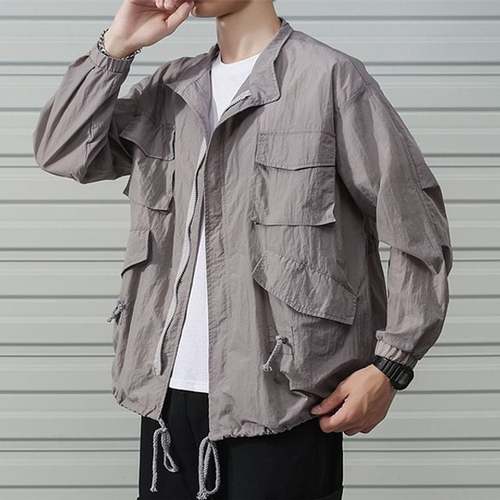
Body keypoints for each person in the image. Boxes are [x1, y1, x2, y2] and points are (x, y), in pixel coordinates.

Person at [32, 1, 453, 499]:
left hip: (283, 402)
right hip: (167, 403)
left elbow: (417, 228)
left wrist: (389, 366)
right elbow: (63, 150)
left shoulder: (330, 80)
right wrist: (116, 48)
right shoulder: (172, 88)